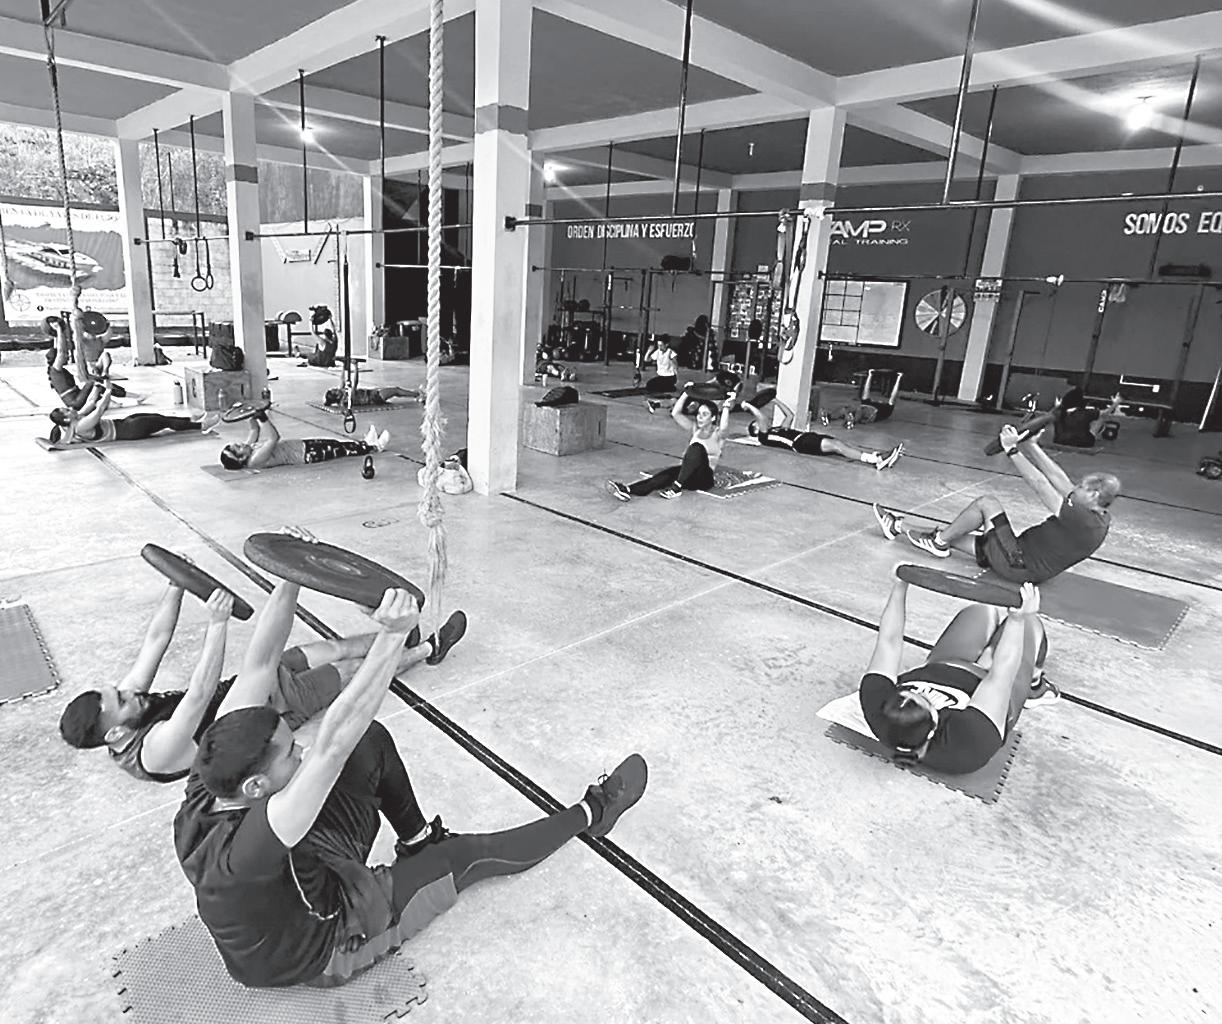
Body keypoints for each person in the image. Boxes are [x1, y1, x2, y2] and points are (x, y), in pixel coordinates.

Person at [175, 583, 646, 989]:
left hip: (295, 880)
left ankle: (418, 840)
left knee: (370, 743)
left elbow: (259, 666)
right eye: (288, 752)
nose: (299, 748)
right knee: (467, 856)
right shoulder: (246, 852)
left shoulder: (208, 780)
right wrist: (392, 636)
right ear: (256, 786)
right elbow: (332, 743)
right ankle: (594, 811)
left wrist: (289, 574)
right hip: (322, 947)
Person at [58, 554, 463, 784]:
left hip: (250, 684)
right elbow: (199, 695)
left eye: (118, 690)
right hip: (267, 709)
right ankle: (428, 649)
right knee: (353, 671)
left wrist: (176, 582)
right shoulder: (155, 753)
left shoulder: (126, 712)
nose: (128, 691)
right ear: (115, 733)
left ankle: (400, 635)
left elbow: (156, 640)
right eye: (121, 700)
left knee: (333, 647)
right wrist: (218, 624)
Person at [858, 569, 1058, 775]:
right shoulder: (968, 740)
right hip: (991, 693)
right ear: (935, 724)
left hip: (946, 664)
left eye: (909, 691)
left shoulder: (877, 706)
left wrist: (899, 585)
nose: (920, 693)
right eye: (924, 699)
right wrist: (1018, 619)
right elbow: (1001, 675)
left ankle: (987, 654)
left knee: (981, 610)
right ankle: (1035, 685)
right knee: (1031, 624)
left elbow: (889, 641)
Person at [873, 425, 1120, 583]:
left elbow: (1041, 484)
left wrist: (1012, 450)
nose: (1076, 489)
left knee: (987, 503)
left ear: (1094, 495)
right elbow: (1059, 479)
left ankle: (937, 542)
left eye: (1082, 488)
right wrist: (1032, 446)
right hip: (1019, 555)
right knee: (954, 533)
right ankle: (897, 526)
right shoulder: (1097, 512)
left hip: (1018, 563)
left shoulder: (1082, 520)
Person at [608, 384, 733, 501]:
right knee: (665, 475)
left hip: (704, 479)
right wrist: (687, 392)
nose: (699, 417)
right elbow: (675, 413)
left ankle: (676, 488)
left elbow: (724, 427)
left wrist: (726, 406)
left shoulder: (718, 434)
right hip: (688, 476)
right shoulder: (695, 429)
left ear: (713, 418)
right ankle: (628, 490)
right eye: (699, 414)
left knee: (696, 447)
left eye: (704, 414)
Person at [742, 397, 903, 470]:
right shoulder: (764, 437)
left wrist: (776, 400)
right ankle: (876, 460)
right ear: (756, 430)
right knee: (837, 446)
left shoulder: (777, 430)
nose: (762, 422)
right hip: (801, 444)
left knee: (841, 444)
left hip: (806, 437)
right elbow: (761, 417)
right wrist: (749, 406)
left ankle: (877, 456)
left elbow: (789, 416)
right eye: (757, 424)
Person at [46, 383, 215, 447]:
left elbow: (90, 403)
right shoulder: (81, 426)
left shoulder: (75, 419)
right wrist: (108, 391)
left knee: (159, 417)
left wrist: (97, 387)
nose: (69, 408)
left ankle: (191, 420)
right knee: (164, 422)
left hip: (124, 424)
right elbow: (99, 409)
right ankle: (201, 426)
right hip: (130, 430)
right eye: (66, 411)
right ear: (66, 419)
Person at [219, 410, 388, 471]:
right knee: (341, 451)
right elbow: (273, 438)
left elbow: (254, 429)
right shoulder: (255, 460)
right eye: (238, 448)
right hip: (307, 455)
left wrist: (248, 412)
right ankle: (375, 447)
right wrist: (262, 417)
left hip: (303, 445)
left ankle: (366, 443)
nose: (240, 444)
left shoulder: (249, 449)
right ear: (241, 458)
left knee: (336, 443)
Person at [323, 386, 422, 408]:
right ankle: (418, 395)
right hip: (374, 397)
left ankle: (414, 394)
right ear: (337, 396)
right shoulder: (346, 400)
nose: (337, 389)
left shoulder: (342, 396)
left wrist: (345, 364)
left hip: (373, 394)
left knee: (396, 392)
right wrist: (356, 367)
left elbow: (342, 380)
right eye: (335, 390)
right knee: (396, 390)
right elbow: (355, 384)